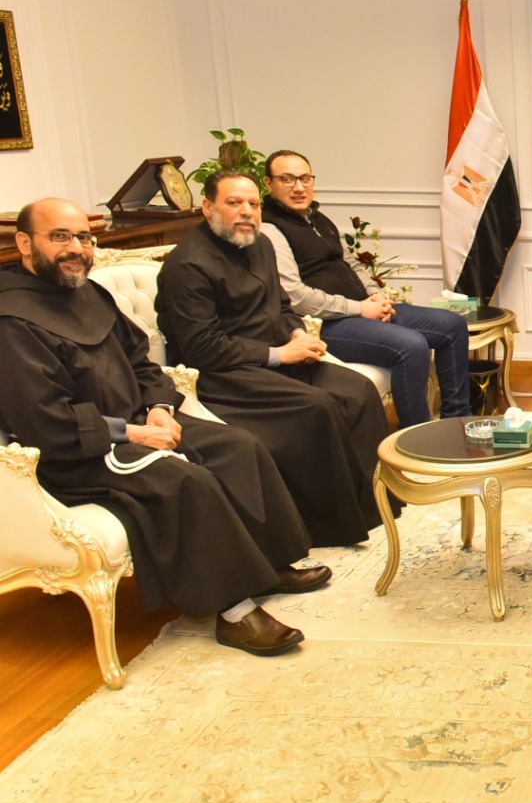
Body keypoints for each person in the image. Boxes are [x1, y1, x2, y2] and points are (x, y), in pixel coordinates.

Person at [0, 198, 328, 656]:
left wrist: (158, 407)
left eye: (84, 238)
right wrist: (133, 434)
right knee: (186, 480)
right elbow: (43, 419)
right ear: (23, 243)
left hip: (140, 422)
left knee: (239, 446)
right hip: (81, 450)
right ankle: (235, 612)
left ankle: (268, 565)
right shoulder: (12, 319)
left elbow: (140, 361)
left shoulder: (89, 293)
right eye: (60, 237)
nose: (76, 248)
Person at [156, 172, 390, 547]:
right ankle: (329, 526)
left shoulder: (260, 244)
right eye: (234, 203)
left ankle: (374, 505)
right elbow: (202, 347)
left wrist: (297, 333)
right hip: (223, 373)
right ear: (208, 207)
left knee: (358, 391)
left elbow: (280, 305)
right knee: (316, 406)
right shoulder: (188, 265)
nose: (246, 212)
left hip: (277, 355)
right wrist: (279, 354)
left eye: (253, 204)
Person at [257, 151, 472, 430]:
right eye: (287, 179)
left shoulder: (318, 219)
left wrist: (375, 296)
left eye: (305, 178)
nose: (299, 187)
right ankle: (417, 437)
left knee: (453, 326)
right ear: (268, 183)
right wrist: (360, 309)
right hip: (327, 324)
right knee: (412, 346)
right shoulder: (270, 230)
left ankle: (456, 422)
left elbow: (351, 263)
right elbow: (296, 297)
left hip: (363, 308)